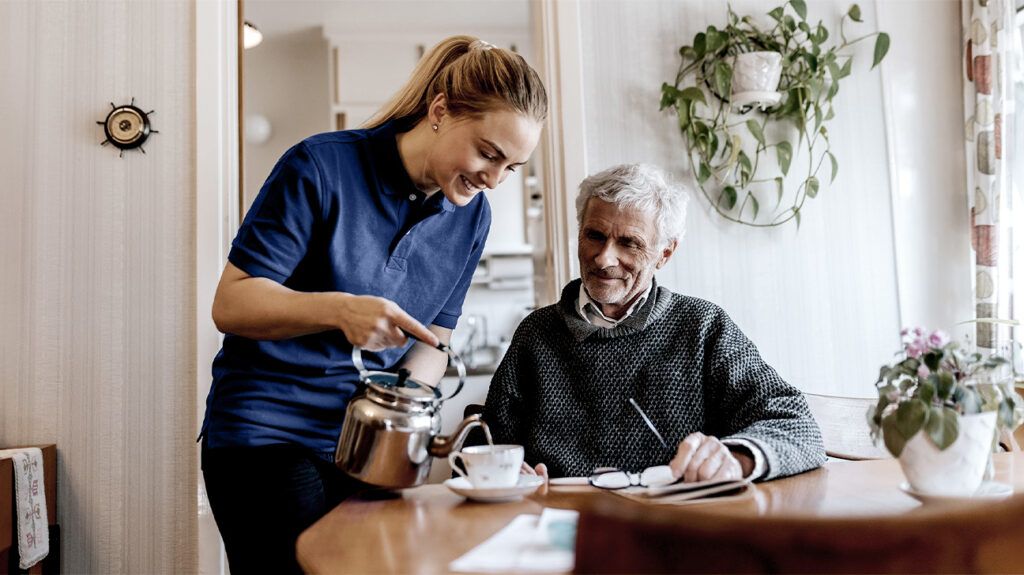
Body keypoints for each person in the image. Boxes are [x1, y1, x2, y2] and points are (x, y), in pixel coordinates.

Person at [199, 35, 547, 574]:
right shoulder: (320, 166)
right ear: (440, 112)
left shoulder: (472, 218)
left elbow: (437, 339)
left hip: (364, 446)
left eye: (512, 167)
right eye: (488, 153)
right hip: (267, 433)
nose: (494, 180)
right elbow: (233, 303)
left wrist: (409, 406)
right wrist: (340, 310)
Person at [482, 163, 825, 485]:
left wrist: (736, 459)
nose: (604, 258)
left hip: (677, 527)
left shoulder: (703, 327)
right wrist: (501, 469)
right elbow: (483, 441)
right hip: (563, 525)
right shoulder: (536, 333)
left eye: (628, 243)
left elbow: (798, 426)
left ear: (665, 253)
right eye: (595, 236)